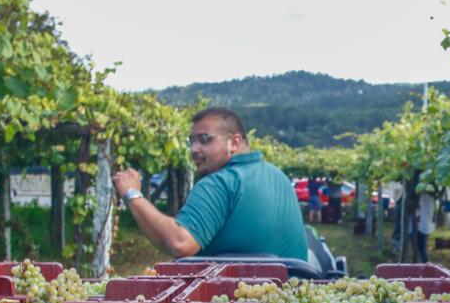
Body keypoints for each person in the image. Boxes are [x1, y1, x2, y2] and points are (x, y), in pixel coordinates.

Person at [112, 107, 307, 261]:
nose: (194, 149)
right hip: (288, 299)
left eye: (204, 140)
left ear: (234, 142)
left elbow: (180, 243)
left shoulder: (219, 183)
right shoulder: (278, 176)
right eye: (192, 141)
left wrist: (132, 194)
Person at [413, 190, 435, 263]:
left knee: (421, 248)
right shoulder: (431, 198)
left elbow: (418, 211)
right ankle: (424, 261)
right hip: (427, 226)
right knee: (422, 247)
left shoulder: (423, 197)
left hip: (422, 226)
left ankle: (425, 262)